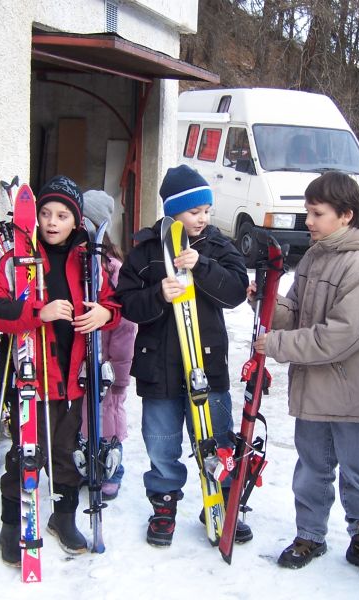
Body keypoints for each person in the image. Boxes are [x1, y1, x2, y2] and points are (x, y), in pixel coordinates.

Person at [252, 171, 359, 585]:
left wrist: (277, 344)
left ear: (346, 215)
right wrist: (268, 303)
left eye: (317, 213)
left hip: (355, 393)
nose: (308, 221)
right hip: (315, 390)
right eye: (307, 212)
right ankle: (310, 535)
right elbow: (297, 313)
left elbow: (338, 337)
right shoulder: (315, 258)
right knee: (312, 468)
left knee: (358, 472)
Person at [0, 175, 120, 565]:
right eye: (45, 213)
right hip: (31, 380)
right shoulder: (15, 261)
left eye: (62, 214)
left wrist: (105, 313)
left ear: (77, 220)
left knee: (66, 453)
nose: (52, 222)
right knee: (27, 454)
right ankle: (12, 525)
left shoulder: (89, 260)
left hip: (73, 381)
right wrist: (36, 313)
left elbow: (111, 302)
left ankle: (63, 517)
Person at [114, 164, 250, 547]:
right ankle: (164, 504)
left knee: (216, 437)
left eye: (207, 210)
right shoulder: (145, 250)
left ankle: (220, 501)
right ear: (173, 211)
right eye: (195, 212)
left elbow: (237, 291)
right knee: (162, 440)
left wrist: (202, 266)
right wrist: (159, 294)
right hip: (159, 366)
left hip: (207, 363)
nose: (203, 218)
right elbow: (127, 303)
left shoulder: (218, 245)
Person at [79, 190, 137, 501]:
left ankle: (113, 469)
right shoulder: (76, 267)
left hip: (108, 366)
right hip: (81, 363)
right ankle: (87, 467)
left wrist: (119, 373)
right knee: (83, 420)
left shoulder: (113, 270)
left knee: (108, 416)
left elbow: (125, 328)